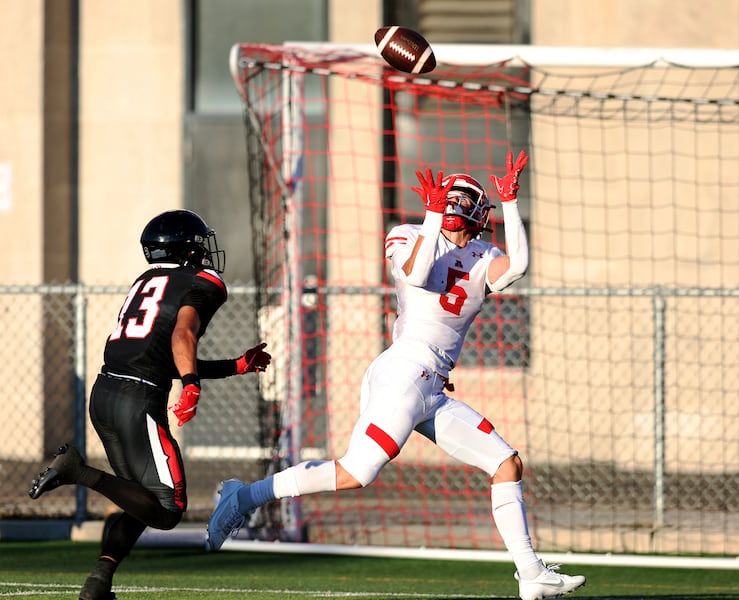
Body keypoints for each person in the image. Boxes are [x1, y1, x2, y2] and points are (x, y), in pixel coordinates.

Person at [206, 151, 585, 600]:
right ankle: (243, 497)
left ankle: (531, 574)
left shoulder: (486, 254)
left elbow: (518, 267)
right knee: (356, 472)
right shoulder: (409, 234)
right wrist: (429, 215)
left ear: (481, 214)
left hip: (433, 387)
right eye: (451, 197)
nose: (456, 204)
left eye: (465, 199)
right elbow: (419, 273)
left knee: (506, 463)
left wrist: (510, 201)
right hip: (405, 371)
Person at [28, 209, 272, 600]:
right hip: (137, 399)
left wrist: (234, 366)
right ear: (188, 249)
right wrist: (191, 387)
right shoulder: (204, 282)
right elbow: (183, 335)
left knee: (141, 499)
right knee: (169, 509)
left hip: (106, 392)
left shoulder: (146, 280)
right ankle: (79, 472)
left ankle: (99, 581)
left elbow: (159, 355)